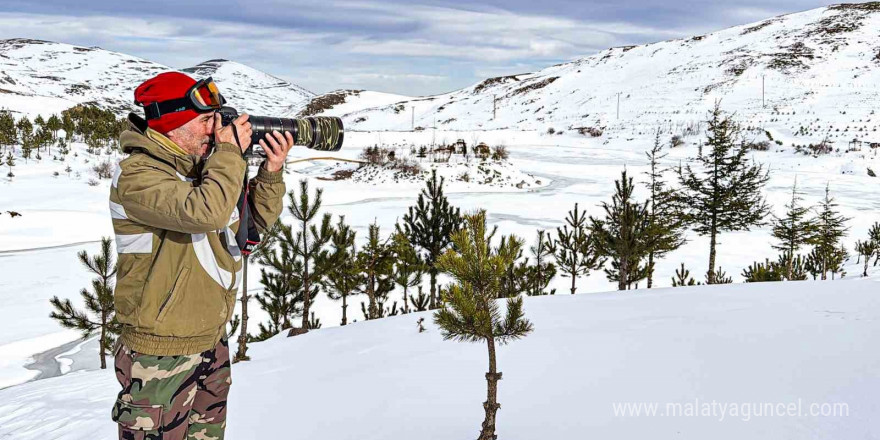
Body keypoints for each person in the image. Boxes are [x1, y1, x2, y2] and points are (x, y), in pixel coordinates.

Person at [108, 72, 292, 440]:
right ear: (172, 125)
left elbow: (245, 230)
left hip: (210, 339)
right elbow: (206, 212)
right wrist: (228, 154)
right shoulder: (138, 176)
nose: (215, 130)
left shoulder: (202, 170)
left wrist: (270, 175)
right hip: (161, 352)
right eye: (206, 121)